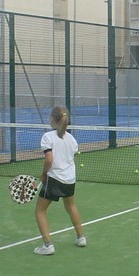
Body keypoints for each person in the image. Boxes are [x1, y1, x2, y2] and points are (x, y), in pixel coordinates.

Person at [34, 106, 86, 255]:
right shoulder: (72, 139)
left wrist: (43, 174)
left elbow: (49, 160)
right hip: (70, 180)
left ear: (52, 119)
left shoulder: (47, 137)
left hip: (54, 180)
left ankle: (48, 245)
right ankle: (81, 237)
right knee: (71, 207)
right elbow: (71, 158)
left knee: (40, 211)